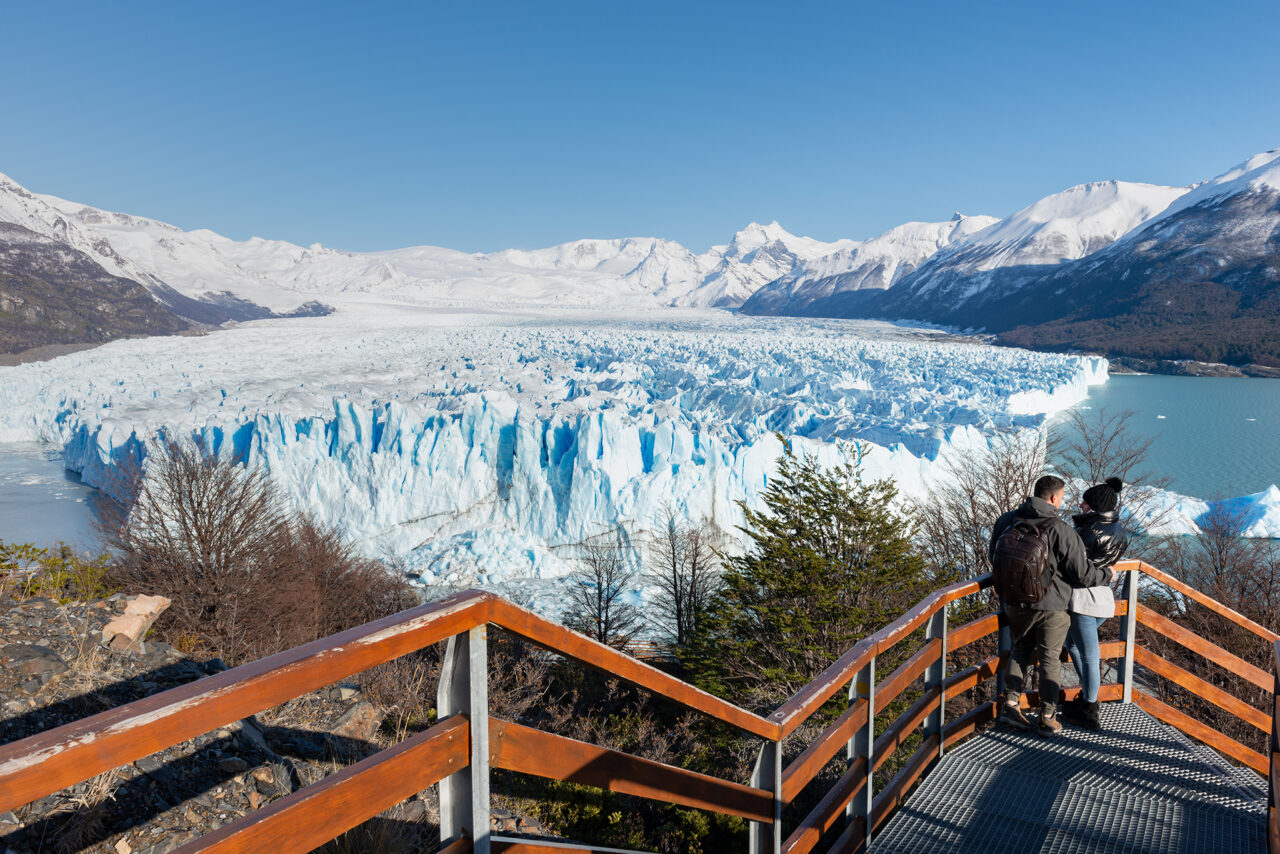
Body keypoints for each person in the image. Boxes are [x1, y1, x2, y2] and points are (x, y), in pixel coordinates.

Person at [990, 475, 1114, 735]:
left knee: (1019, 652)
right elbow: (1083, 574)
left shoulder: (1006, 520)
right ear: (1055, 498)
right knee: (1049, 660)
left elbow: (994, 556)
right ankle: (1047, 717)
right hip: (1052, 606)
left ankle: (1010, 706)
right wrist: (1107, 575)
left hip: (1014, 602)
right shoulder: (1061, 530)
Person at [1062, 477, 1129, 730]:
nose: (1081, 505)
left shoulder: (1088, 532)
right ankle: (1087, 698)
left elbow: (1075, 566)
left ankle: (1089, 710)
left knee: (1090, 656)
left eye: (1086, 502)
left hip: (1083, 599)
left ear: (1095, 506)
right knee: (1073, 646)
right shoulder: (1120, 530)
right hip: (1103, 598)